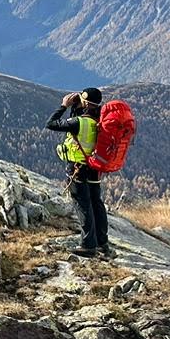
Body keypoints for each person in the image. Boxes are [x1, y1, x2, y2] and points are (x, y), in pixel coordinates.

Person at [48, 87, 109, 256]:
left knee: (83, 206)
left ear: (85, 103)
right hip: (94, 168)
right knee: (96, 204)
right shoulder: (99, 121)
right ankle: (102, 244)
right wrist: (76, 108)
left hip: (78, 168)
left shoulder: (78, 123)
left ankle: (88, 245)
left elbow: (51, 124)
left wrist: (63, 106)